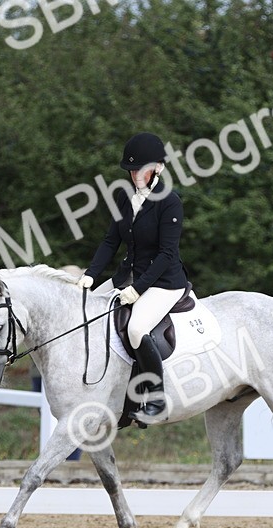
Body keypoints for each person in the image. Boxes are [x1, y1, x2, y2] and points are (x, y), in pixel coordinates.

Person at [76, 132, 188, 418]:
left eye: (142, 169)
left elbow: (166, 254)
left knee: (137, 328)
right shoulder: (124, 197)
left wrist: (138, 289)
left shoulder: (170, 202)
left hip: (163, 282)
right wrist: (91, 275)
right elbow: (111, 240)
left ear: (158, 168)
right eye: (132, 170)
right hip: (127, 276)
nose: (136, 175)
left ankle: (156, 396)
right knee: (83, 312)